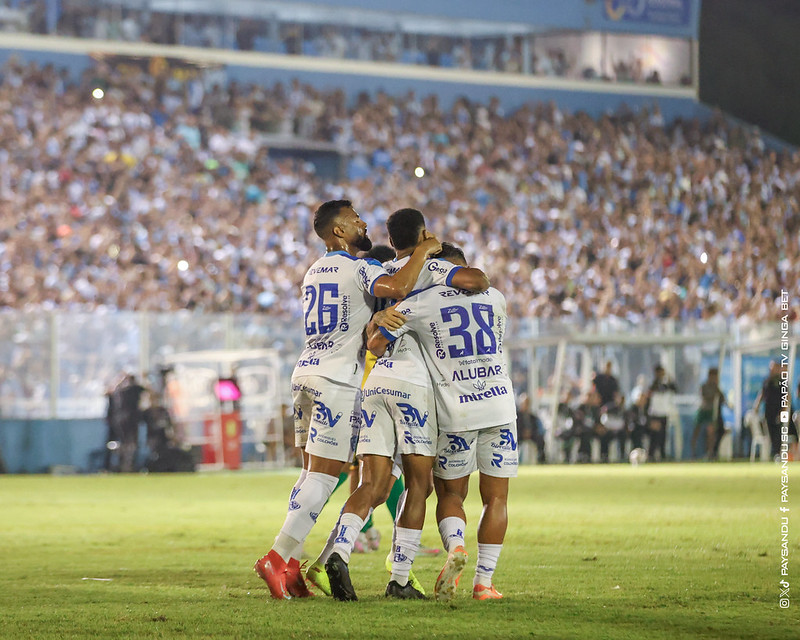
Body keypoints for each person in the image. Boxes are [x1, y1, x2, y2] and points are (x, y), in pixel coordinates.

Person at [253, 199, 442, 600]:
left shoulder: (314, 270)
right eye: (355, 219)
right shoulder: (359, 267)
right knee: (325, 476)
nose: (362, 223)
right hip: (336, 379)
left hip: (306, 370)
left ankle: (289, 566)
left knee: (310, 474)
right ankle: (277, 556)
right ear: (339, 230)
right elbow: (397, 287)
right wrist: (423, 250)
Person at [315, 214, 490, 601]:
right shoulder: (431, 266)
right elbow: (475, 279)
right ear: (424, 234)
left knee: (370, 483)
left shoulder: (380, 269)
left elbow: (374, 341)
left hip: (375, 383)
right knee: (418, 484)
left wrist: (378, 318)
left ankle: (340, 551)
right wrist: (434, 252)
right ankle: (399, 577)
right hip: (413, 384)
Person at [368, 243, 517, 601]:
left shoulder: (424, 301)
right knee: (496, 500)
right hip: (500, 408)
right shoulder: (496, 297)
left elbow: (376, 343)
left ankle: (455, 547)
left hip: (457, 413)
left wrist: (377, 320)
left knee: (451, 494)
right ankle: (484, 583)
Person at [690, 368, 727, 459]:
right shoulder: (704, 386)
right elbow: (705, 397)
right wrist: (713, 394)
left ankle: (710, 452)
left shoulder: (717, 388)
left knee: (711, 431)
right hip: (703, 410)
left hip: (711, 412)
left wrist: (717, 390)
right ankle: (693, 451)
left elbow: (722, 399)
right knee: (696, 430)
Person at [753, 361, 783, 459]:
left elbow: (786, 397)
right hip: (768, 411)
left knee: (778, 432)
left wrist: (783, 411)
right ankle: (773, 453)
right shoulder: (767, 381)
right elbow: (762, 394)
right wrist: (756, 406)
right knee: (770, 432)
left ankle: (778, 452)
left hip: (778, 410)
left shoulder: (782, 382)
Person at [645, 365, 677, 461]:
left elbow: (675, 389)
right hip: (655, 414)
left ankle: (662, 455)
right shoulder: (654, 385)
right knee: (655, 437)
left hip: (664, 413)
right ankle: (651, 455)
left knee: (663, 436)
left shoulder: (666, 384)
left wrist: (670, 380)